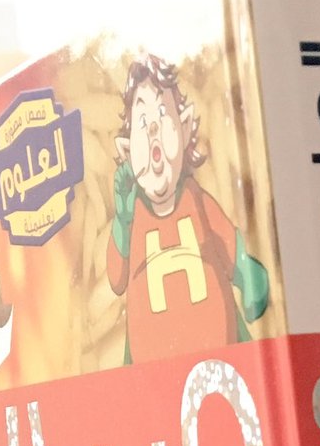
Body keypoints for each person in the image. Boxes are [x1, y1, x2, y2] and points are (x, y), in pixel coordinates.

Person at [105, 54, 268, 361]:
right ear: (126, 150)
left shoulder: (198, 201)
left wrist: (249, 278)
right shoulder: (132, 217)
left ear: (185, 126)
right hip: (151, 371)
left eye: (161, 114)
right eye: (143, 123)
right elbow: (116, 276)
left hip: (222, 356)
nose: (153, 131)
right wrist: (122, 220)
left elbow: (227, 241)